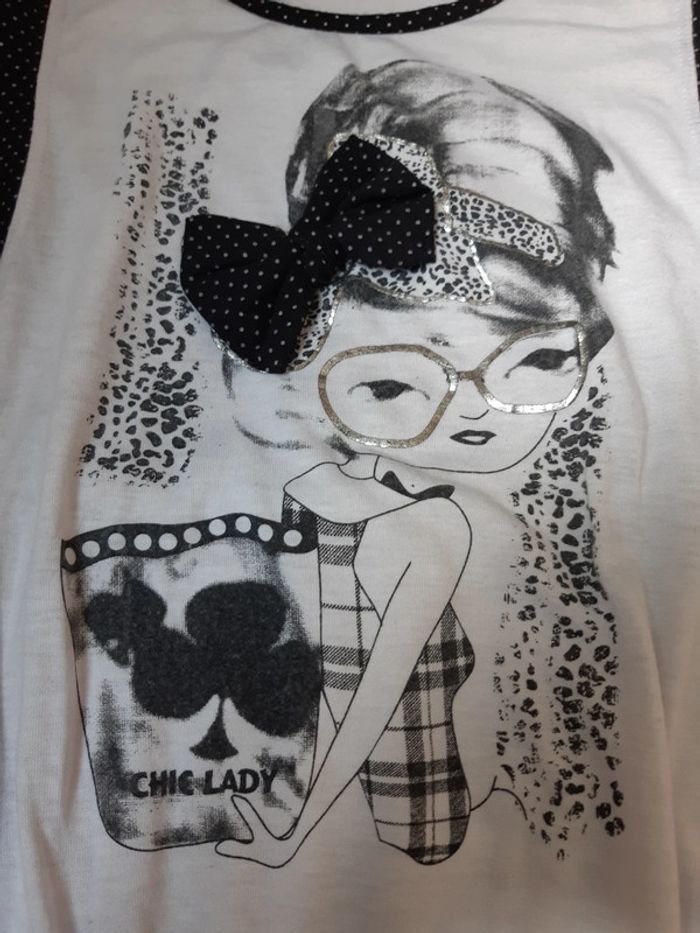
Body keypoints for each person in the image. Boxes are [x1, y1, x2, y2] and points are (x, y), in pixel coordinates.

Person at [211, 60, 618, 867]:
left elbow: (369, 700)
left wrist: (293, 831)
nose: (472, 414)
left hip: (415, 826)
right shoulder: (377, 511)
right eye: (392, 381)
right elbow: (357, 696)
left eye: (537, 361)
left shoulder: (363, 507)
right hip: (382, 813)